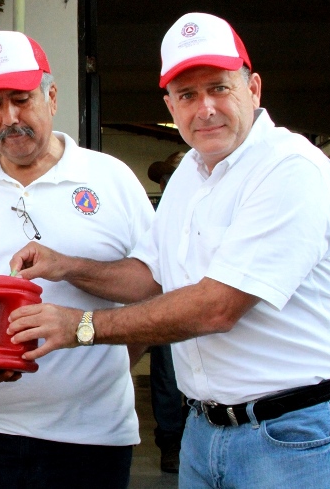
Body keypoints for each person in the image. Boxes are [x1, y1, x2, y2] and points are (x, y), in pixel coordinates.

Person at [7, 12, 330, 488]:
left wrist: (82, 326)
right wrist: (64, 267)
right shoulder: (191, 172)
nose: (204, 107)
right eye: (187, 95)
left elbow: (218, 306)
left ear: (253, 89)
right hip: (204, 433)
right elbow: (150, 275)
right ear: (169, 103)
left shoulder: (292, 168)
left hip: (290, 434)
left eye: (219, 87)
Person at [0, 30, 154, 489]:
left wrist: (70, 266)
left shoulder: (111, 178)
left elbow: (153, 288)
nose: (10, 117)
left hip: (89, 436)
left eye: (22, 99)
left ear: (51, 96)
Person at [145, 150, 187, 473]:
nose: (167, 182)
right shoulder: (155, 216)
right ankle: (171, 442)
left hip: (202, 307)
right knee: (167, 377)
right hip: (166, 307)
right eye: (165, 178)